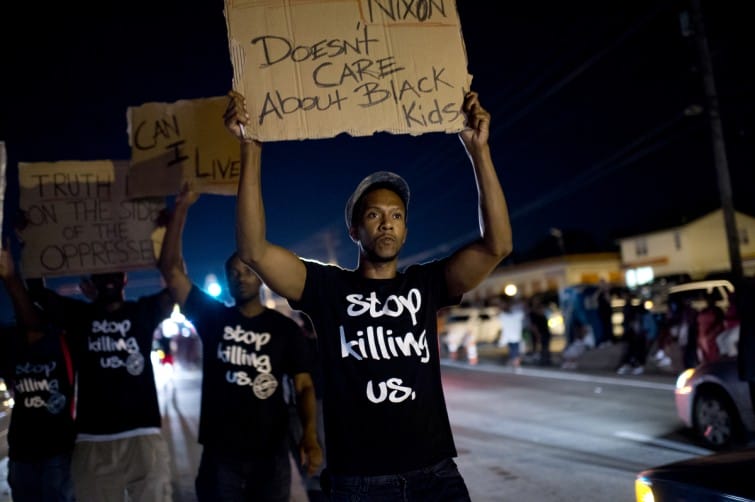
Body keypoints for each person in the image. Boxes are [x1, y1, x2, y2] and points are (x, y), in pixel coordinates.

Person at [226, 89, 512, 500]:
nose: (386, 223)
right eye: (374, 215)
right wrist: (250, 148)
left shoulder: (426, 283)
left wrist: (478, 151)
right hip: (360, 482)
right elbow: (253, 250)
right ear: (354, 231)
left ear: (406, 231)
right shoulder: (326, 288)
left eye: (396, 216)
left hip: (435, 475)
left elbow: (497, 246)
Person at [157, 184, 322, 502]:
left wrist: (310, 437)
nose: (240, 277)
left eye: (247, 270)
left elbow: (303, 386)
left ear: (260, 277)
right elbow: (171, 270)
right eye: (232, 272)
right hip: (221, 454)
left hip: (270, 455)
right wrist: (182, 208)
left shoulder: (284, 329)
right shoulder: (212, 317)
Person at [25, 267, 174, 501]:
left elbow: (175, 284)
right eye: (101, 273)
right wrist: (34, 253)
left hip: (143, 436)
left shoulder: (142, 313)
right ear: (91, 279)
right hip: (92, 441)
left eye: (115, 272)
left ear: (125, 278)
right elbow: (37, 293)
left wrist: (167, 245)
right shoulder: (78, 316)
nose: (109, 278)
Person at [0, 247, 76, 502]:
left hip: (57, 453)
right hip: (22, 454)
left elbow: (32, 308)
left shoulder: (60, 344)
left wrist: (13, 279)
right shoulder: (12, 347)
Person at [696, 291, 725, 364]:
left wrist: (710, 335)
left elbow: (719, 325)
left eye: (711, 299)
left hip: (712, 338)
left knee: (713, 357)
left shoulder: (717, 311)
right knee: (704, 357)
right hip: (703, 337)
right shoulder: (703, 311)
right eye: (708, 299)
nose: (709, 301)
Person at [497, 298, 524, 367]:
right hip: (514, 337)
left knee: (514, 351)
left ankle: (515, 362)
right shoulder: (513, 316)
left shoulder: (507, 316)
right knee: (514, 351)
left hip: (513, 337)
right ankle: (515, 362)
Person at [528, 295, 552, 366]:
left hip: (545, 331)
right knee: (538, 347)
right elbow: (533, 325)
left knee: (545, 347)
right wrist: (537, 334)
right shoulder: (532, 312)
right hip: (538, 332)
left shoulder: (543, 310)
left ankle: (546, 360)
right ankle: (541, 360)